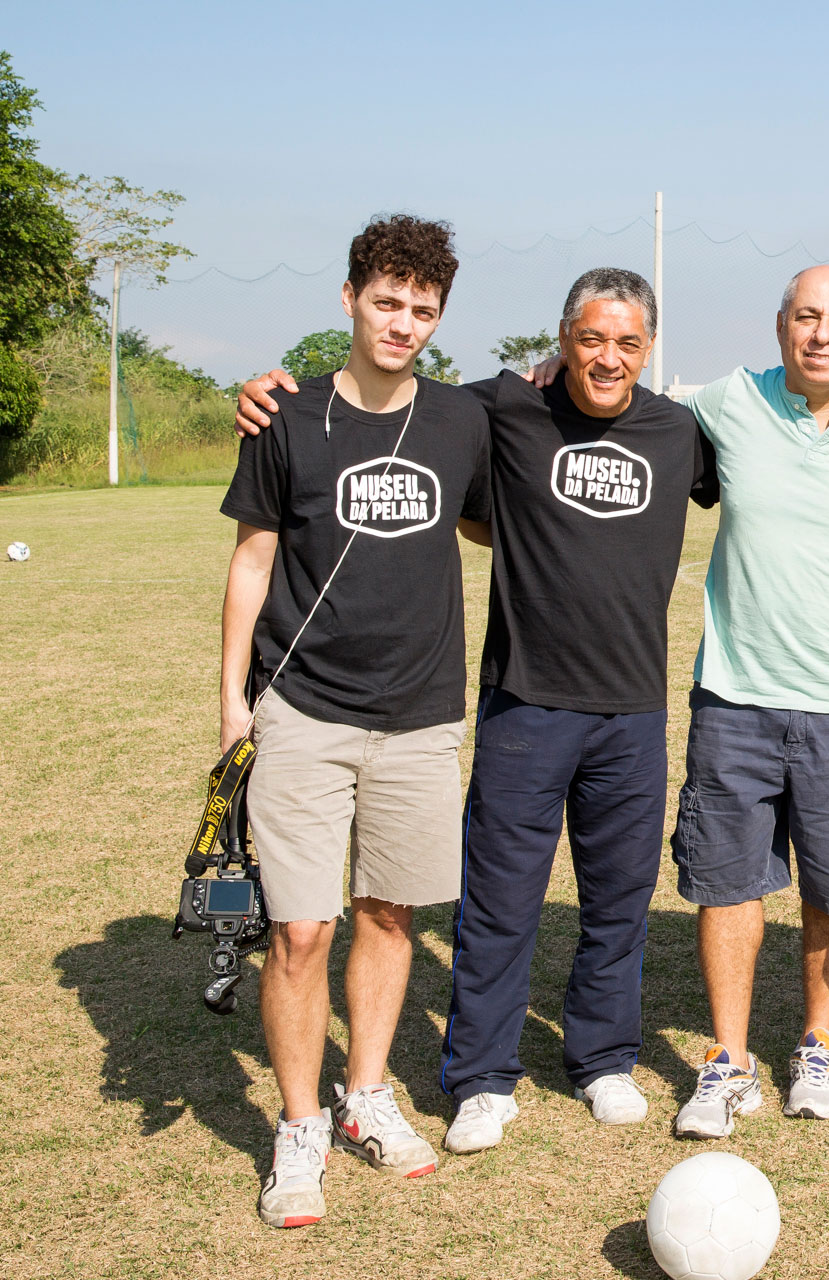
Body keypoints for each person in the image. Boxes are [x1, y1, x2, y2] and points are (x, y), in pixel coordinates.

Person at [235, 267, 716, 1156]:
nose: (608, 358)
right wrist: (275, 390)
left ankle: (603, 1058)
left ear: (650, 348)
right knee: (498, 904)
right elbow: (384, 390)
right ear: (562, 338)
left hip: (633, 712)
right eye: (590, 338)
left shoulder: (682, 429)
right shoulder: (501, 406)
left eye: (628, 343)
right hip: (524, 703)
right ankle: (482, 1079)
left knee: (618, 901)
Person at [526, 267, 829, 1138]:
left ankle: (818, 1045)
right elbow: (619, 396)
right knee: (727, 882)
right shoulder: (726, 403)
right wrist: (544, 375)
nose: (822, 333)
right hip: (735, 694)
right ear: (780, 325)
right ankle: (730, 1060)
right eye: (806, 317)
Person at [219, 215, 491, 1228]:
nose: (403, 322)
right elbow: (251, 561)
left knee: (387, 911)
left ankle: (364, 1092)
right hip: (302, 708)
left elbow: (500, 495)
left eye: (423, 308)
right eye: (387, 301)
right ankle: (298, 1124)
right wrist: (231, 702)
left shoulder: (465, 418)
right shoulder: (284, 415)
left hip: (421, 716)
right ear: (349, 298)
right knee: (301, 928)